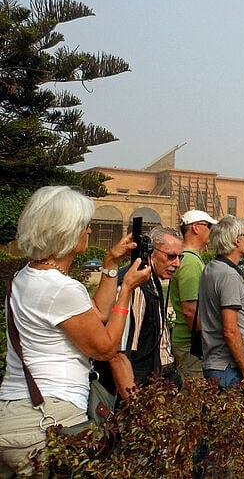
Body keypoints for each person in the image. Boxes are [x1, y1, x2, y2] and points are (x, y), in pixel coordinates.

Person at [0, 186, 150, 476]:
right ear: (66, 231)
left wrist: (110, 265)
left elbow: (97, 314)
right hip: (49, 419)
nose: (89, 231)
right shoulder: (60, 289)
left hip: (15, 411)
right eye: (84, 225)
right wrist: (127, 289)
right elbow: (105, 347)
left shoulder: (26, 277)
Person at [103, 226, 184, 399]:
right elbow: (118, 353)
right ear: (150, 252)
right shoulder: (135, 286)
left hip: (155, 383)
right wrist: (136, 405)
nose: (177, 263)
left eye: (180, 257)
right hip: (139, 389)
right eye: (170, 256)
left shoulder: (150, 280)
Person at [198, 215, 244, 391]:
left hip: (217, 363)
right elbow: (230, 330)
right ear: (237, 240)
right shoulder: (228, 275)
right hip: (228, 367)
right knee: (227, 417)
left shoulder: (211, 268)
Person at [170, 210, 217, 380]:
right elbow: (190, 310)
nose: (211, 230)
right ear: (196, 228)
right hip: (189, 343)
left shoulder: (191, 258)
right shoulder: (189, 262)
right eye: (209, 226)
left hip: (188, 341)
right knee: (193, 399)